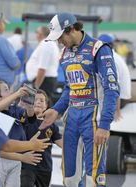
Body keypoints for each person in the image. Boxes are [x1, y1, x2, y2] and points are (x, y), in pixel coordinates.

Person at [40, 12, 120, 187]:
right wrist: (57, 110)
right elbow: (70, 87)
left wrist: (105, 125)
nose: (59, 41)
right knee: (69, 175)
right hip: (72, 117)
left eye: (61, 37)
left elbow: (112, 89)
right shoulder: (64, 54)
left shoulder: (98, 49)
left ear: (71, 29)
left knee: (93, 175)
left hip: (93, 117)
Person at [0, 81, 41, 187]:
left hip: (16, 159)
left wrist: (29, 106)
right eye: (6, 90)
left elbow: (30, 117)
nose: (10, 92)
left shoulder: (15, 110)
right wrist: (17, 94)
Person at [21, 89, 63, 187]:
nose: (38, 102)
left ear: (46, 106)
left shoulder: (51, 125)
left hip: (45, 167)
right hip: (26, 165)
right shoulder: (23, 120)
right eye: (35, 99)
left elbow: (61, 143)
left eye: (42, 100)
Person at [98, 34, 131, 120]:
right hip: (122, 96)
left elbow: (115, 86)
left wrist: (117, 110)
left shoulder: (111, 59)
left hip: (121, 99)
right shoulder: (113, 55)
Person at [26, 26, 60, 106]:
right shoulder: (48, 44)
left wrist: (36, 87)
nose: (36, 35)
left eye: (36, 33)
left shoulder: (46, 44)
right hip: (44, 80)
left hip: (44, 81)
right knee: (43, 105)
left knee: (42, 106)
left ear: (40, 34)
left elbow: (42, 68)